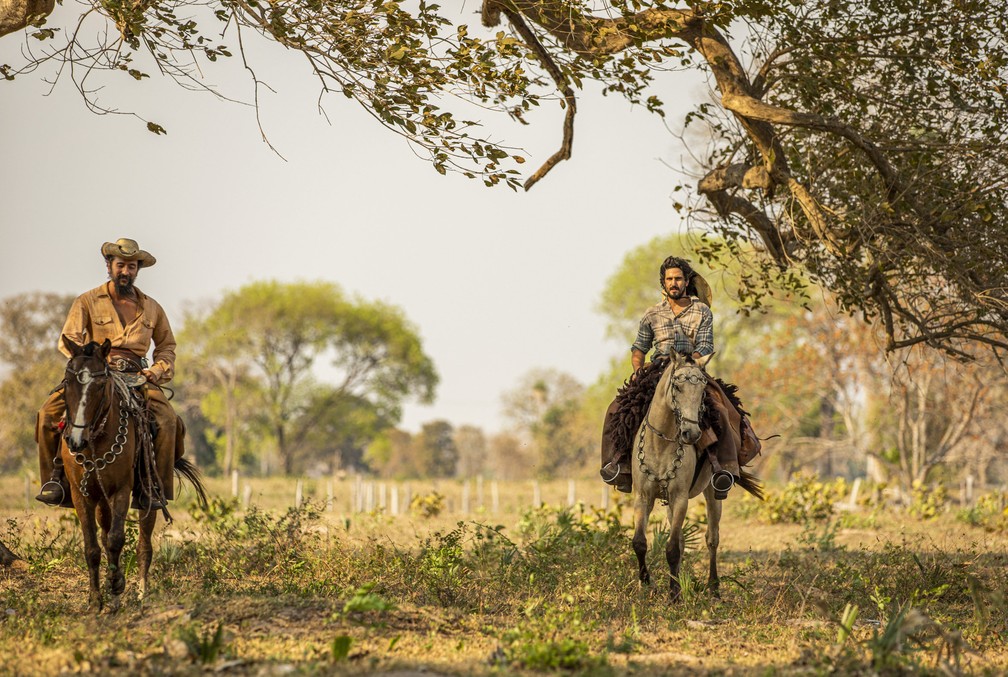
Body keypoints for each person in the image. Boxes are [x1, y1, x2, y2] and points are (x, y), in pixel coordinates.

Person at [35, 238, 183, 510]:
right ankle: (54, 482)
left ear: (137, 270)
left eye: (131, 266)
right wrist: (88, 366)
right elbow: (67, 338)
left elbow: (167, 346)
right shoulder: (87, 301)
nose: (125, 271)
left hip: (136, 375)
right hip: (93, 373)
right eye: (120, 265)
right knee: (46, 415)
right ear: (109, 266)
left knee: (168, 420)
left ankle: (154, 488)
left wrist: (157, 370)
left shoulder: (153, 308)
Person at [599, 256, 761, 498]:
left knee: (720, 410)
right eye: (669, 279)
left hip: (691, 371)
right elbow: (639, 347)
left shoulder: (702, 311)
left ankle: (724, 470)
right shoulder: (652, 313)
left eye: (677, 278)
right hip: (656, 372)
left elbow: (705, 347)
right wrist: (637, 370)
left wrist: (687, 366)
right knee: (617, 408)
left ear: (687, 281)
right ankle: (619, 465)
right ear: (663, 283)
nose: (673, 283)